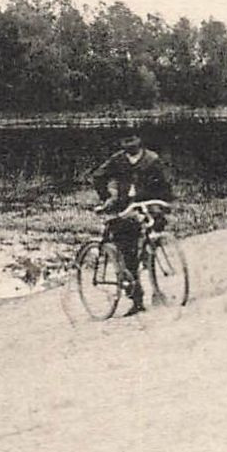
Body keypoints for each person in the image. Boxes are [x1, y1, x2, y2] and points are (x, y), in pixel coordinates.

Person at [89, 134, 173, 316]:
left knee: (156, 226)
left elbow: (165, 184)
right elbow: (98, 177)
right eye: (126, 141)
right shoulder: (117, 160)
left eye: (133, 140)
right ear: (123, 145)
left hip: (147, 203)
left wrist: (164, 202)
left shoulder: (152, 160)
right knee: (127, 251)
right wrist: (108, 197)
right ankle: (136, 298)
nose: (130, 144)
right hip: (125, 206)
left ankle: (150, 259)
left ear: (140, 142)